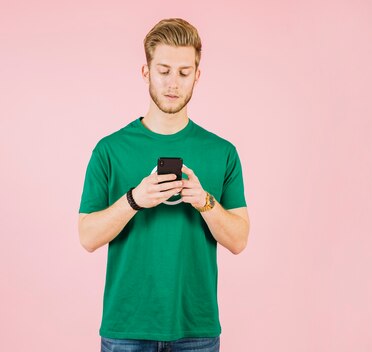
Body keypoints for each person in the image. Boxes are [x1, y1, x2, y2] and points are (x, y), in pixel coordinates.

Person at [77, 18, 250, 352]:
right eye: (164, 70)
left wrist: (205, 203)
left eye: (184, 73)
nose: (173, 83)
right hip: (127, 327)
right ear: (146, 72)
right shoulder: (110, 150)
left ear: (197, 76)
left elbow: (239, 240)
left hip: (196, 329)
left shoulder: (222, 152)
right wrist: (134, 199)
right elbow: (87, 236)